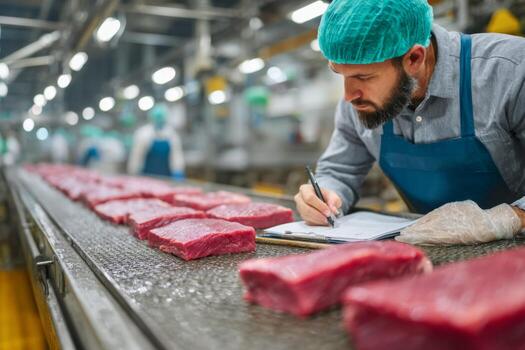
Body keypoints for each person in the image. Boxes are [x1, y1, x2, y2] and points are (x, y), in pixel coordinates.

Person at [294, 0, 525, 242]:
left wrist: (508, 219)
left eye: (364, 76)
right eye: (340, 74)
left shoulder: (511, 72)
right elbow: (339, 171)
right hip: (427, 248)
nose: (349, 95)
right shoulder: (360, 102)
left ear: (414, 58)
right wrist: (326, 194)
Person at [127, 104, 185, 179]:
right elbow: (136, 156)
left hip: (167, 176)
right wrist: (134, 172)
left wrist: (178, 171)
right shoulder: (143, 133)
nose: (159, 120)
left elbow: (177, 156)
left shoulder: (171, 134)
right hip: (147, 177)